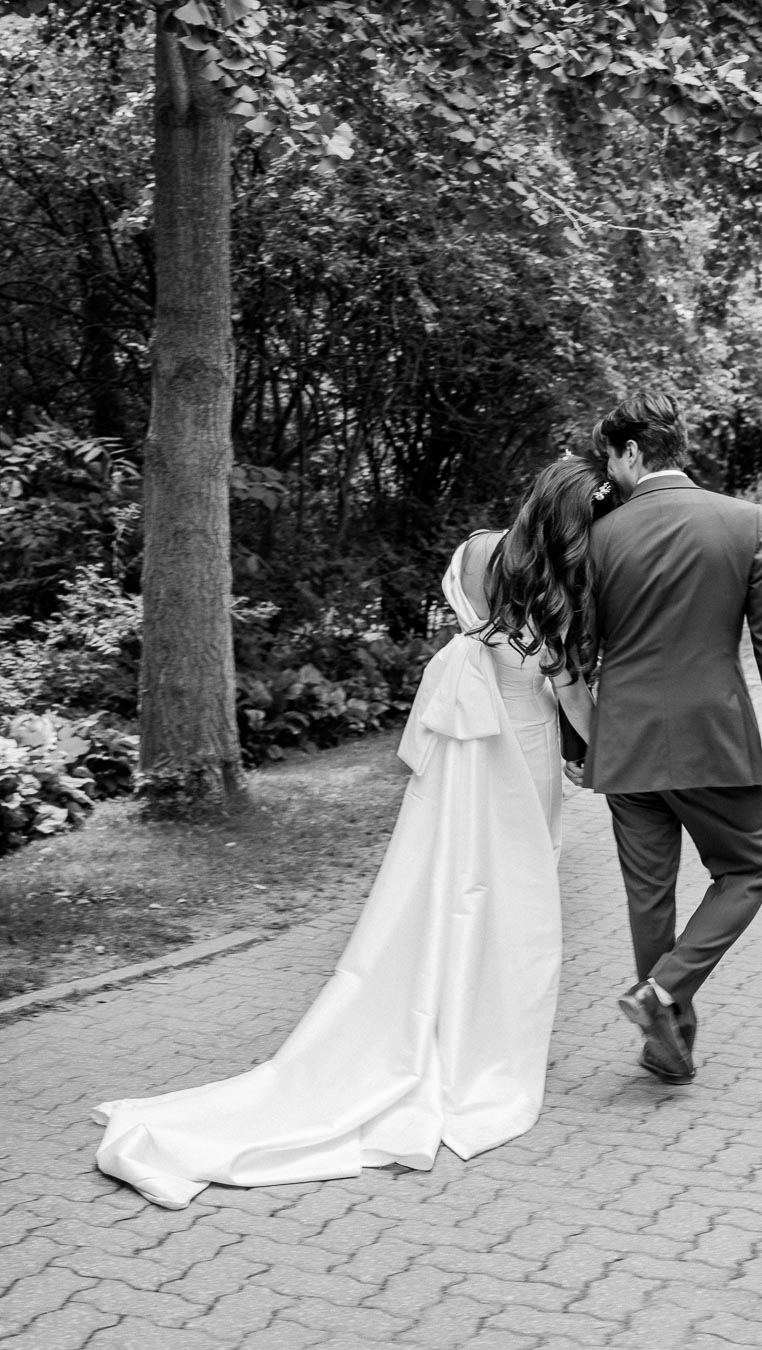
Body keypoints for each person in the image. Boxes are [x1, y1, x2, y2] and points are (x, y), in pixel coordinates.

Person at [92, 457, 610, 1209]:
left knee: (440, 882)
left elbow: (475, 638)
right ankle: (476, 1043)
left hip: (462, 756)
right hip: (518, 752)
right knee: (511, 899)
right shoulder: (561, 585)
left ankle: (423, 1015)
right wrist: (599, 754)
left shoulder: (476, 551)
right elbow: (565, 689)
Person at [563, 391, 762, 1086]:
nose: (608, 474)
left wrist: (580, 749)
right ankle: (660, 998)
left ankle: (666, 1035)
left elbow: (577, 652)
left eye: (610, 457)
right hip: (713, 741)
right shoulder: (742, 521)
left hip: (627, 745)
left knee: (651, 900)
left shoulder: (601, 536)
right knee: (749, 869)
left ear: (635, 452)